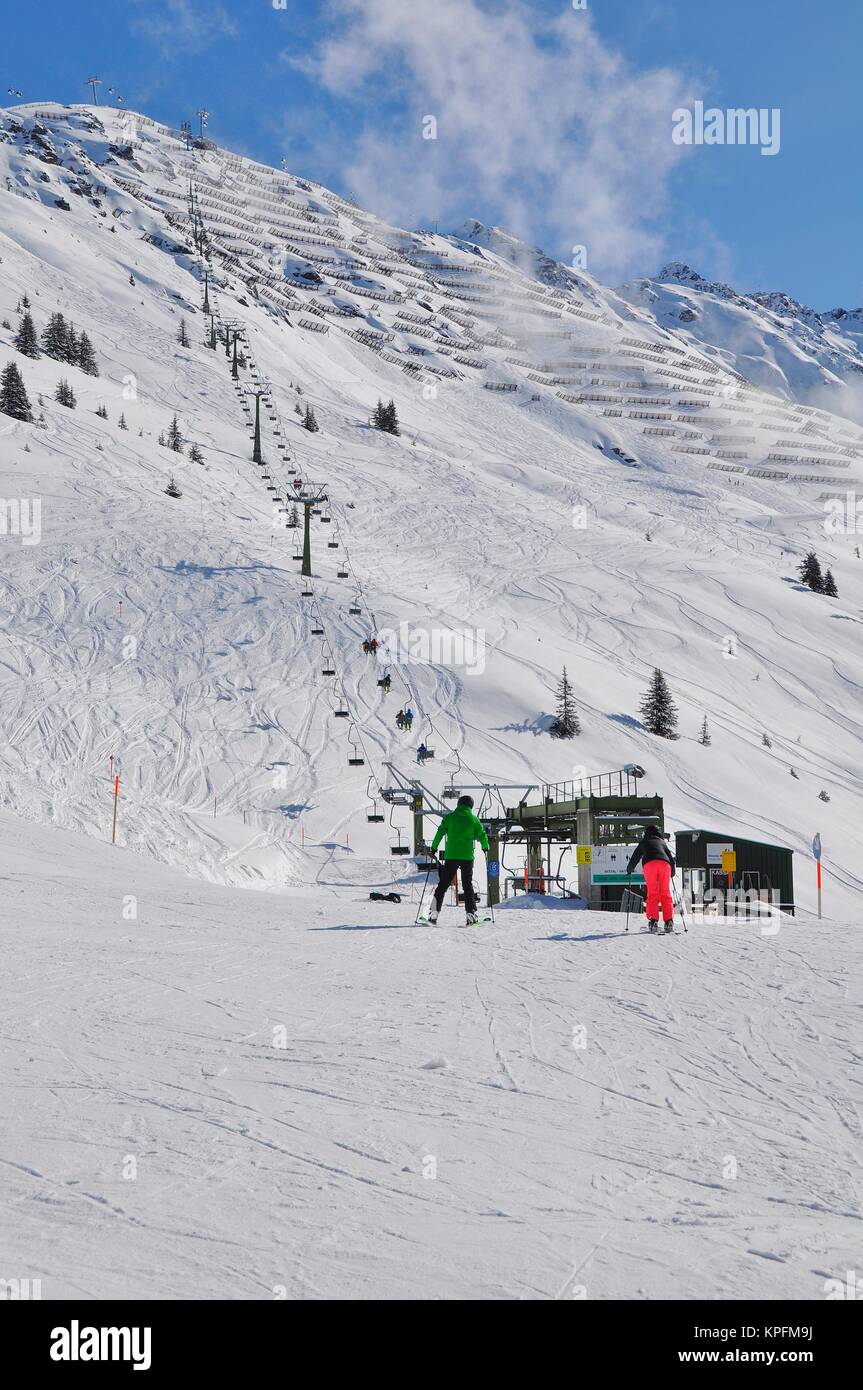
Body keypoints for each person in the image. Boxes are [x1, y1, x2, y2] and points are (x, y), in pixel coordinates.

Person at [427, 795, 489, 926]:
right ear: (470, 806)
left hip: (452, 856)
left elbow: (440, 832)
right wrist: (485, 847)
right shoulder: (473, 819)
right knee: (467, 885)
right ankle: (471, 914)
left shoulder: (449, 818)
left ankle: (433, 913)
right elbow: (482, 834)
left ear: (459, 804)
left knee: (443, 885)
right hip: (467, 857)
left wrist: (433, 848)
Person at [626, 825, 676, 933]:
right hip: (665, 864)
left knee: (653, 893)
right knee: (665, 893)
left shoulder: (644, 842)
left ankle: (653, 921)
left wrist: (630, 869)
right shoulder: (662, 842)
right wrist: (672, 872)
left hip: (650, 864)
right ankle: (669, 921)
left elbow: (636, 856)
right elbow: (671, 858)